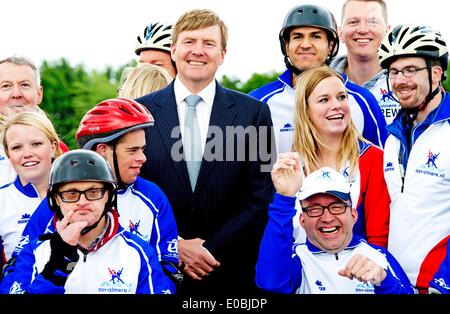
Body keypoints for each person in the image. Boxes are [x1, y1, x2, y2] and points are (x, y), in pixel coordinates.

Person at [136, 9, 274, 295]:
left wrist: (208, 250)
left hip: (231, 273)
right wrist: (176, 246)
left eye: (208, 43)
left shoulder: (253, 113)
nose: (197, 51)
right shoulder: (141, 112)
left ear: (222, 53)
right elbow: (130, 192)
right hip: (158, 273)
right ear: (173, 50)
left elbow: (261, 197)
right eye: (189, 42)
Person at [6, 98, 180, 289]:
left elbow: (166, 269)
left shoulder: (153, 197)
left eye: (94, 192)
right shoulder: (55, 203)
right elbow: (22, 264)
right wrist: (57, 267)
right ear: (103, 150)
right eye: (132, 150)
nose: (142, 158)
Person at [0, 149, 173, 294]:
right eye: (71, 194)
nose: (82, 202)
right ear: (56, 200)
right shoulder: (33, 250)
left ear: (108, 197)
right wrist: (58, 264)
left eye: (93, 192)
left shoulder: (139, 251)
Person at [249, 4, 387, 154]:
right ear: (286, 45)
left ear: (331, 45)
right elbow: (241, 169)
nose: (306, 45)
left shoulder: (362, 100)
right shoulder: (258, 103)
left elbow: (382, 167)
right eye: (297, 37)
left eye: (315, 36)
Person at [256, 165, 415, 294]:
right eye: (315, 209)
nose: (327, 218)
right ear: (302, 221)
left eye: (336, 207)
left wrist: (384, 281)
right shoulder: (296, 259)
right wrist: (284, 199)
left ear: (353, 215)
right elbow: (270, 283)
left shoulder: (379, 258)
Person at [378, 24, 450, 292]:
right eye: (393, 72)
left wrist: (443, 282)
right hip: (396, 282)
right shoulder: (392, 137)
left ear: (436, 73)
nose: (400, 80)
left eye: (410, 70)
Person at [291, 66, 389, 247]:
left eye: (342, 97)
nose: (336, 105)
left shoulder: (373, 158)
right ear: (305, 110)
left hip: (355, 272)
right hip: (300, 272)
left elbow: (380, 241)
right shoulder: (291, 166)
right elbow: (279, 238)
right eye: (324, 100)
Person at [0, 111, 62, 274]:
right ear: (8, 154)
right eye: (17, 147)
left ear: (53, 147)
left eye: (36, 144)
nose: (27, 153)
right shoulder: (2, 201)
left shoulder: (81, 194)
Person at [0, 56, 69, 187]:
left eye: (24, 85)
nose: (16, 94)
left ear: (39, 94)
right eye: (6, 86)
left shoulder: (58, 150)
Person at [331, 0, 400, 125]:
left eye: (373, 22)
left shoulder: (407, 82)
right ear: (340, 32)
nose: (362, 29)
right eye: (353, 22)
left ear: (388, 31)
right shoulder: (318, 84)